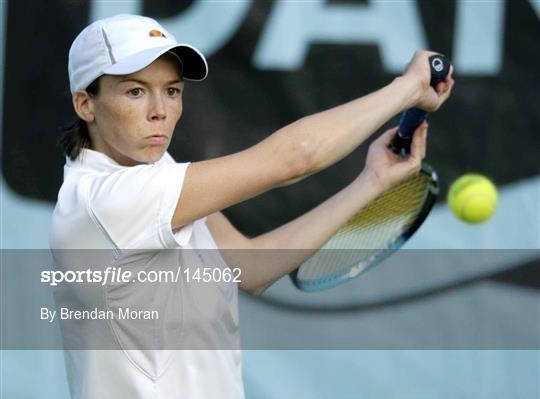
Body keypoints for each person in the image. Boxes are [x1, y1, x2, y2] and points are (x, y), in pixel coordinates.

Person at [49, 13, 454, 399]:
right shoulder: (105, 203)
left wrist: (373, 181)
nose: (160, 111)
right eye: (135, 91)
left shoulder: (156, 172)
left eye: (172, 90)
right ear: (85, 104)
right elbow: (294, 159)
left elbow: (251, 265)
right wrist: (408, 88)